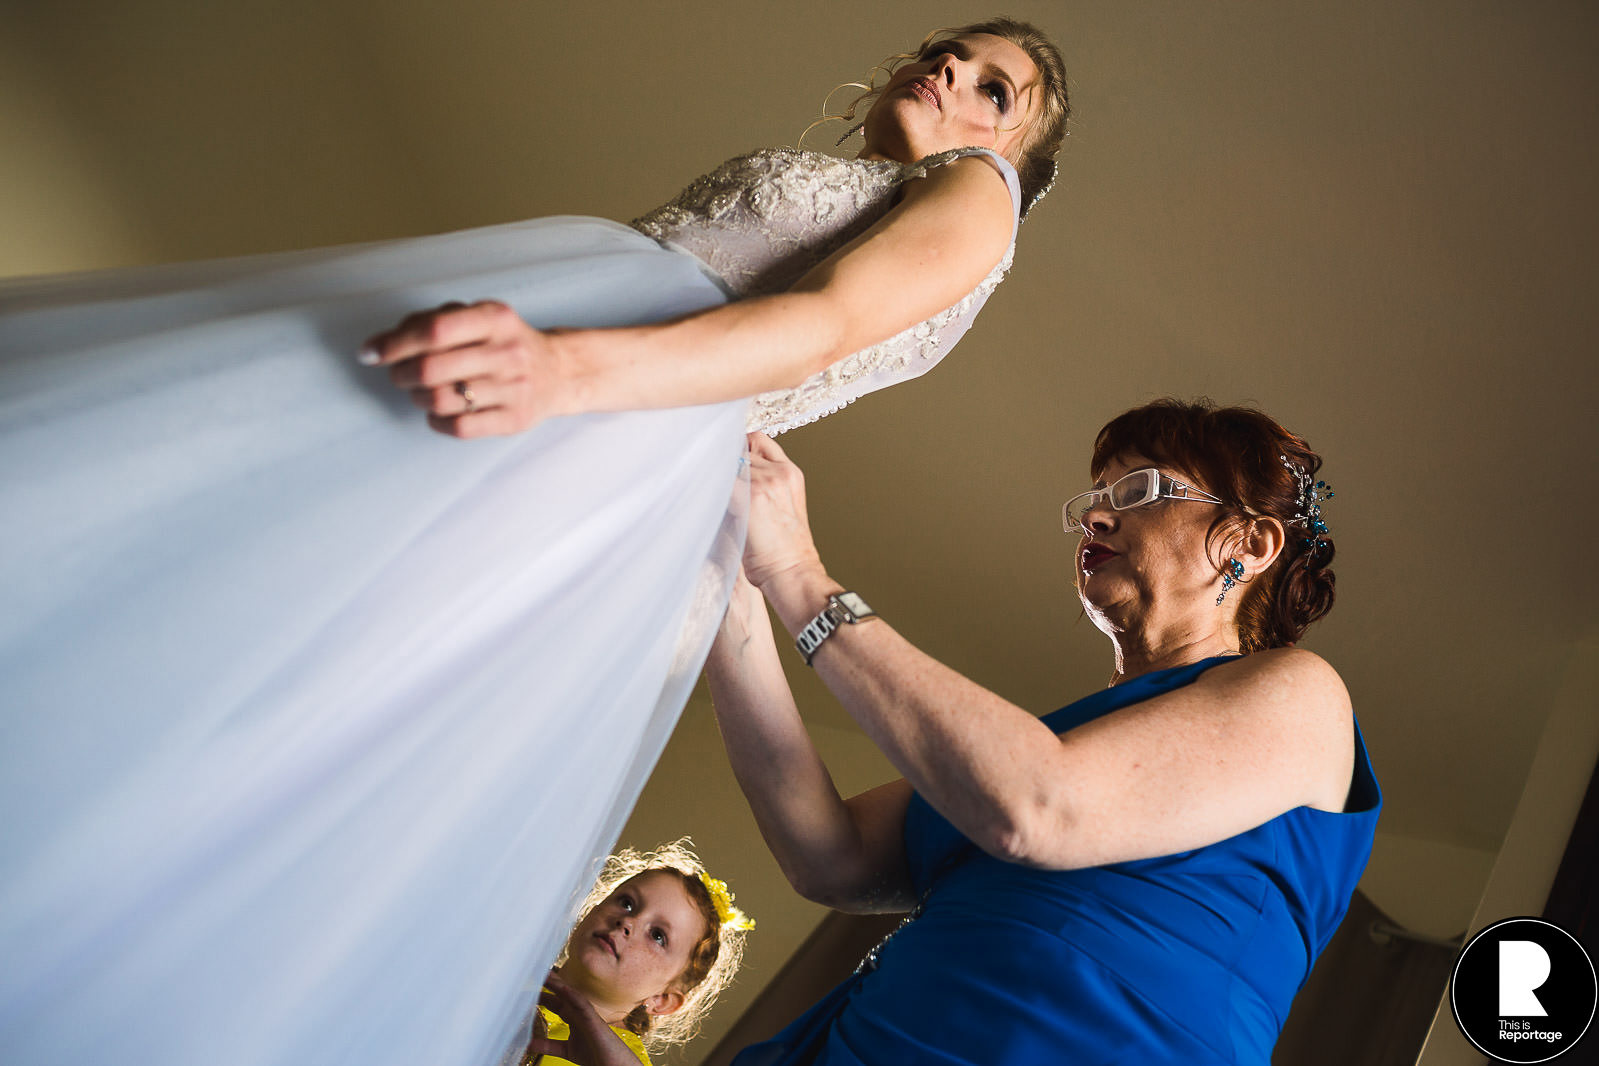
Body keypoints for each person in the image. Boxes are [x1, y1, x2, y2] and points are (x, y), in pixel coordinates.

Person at [0, 18, 1068, 1066]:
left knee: (258, 537)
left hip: (596, 396)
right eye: (952, 53)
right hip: (613, 388)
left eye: (995, 90)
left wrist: (567, 373)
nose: (953, 72)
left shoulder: (983, 191)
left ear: (1018, 150)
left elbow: (829, 322)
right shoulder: (910, 188)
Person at [706, 399, 1381, 1065]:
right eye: (1093, 496)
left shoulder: (1300, 697)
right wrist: (730, 596)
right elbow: (832, 857)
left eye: (1139, 489)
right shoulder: (1039, 745)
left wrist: (797, 575)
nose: (1093, 514)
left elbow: (1036, 806)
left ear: (1249, 542)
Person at [518, 840, 753, 1066]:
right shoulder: (513, 971)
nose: (628, 922)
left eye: (658, 936)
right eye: (627, 903)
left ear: (661, 1000)